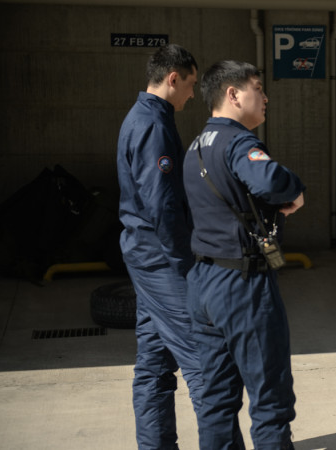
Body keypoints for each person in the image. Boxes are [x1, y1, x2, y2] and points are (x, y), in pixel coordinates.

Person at [182, 60, 305, 449]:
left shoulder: (195, 147)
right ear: (233, 94)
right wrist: (295, 191)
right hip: (242, 286)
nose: (265, 97)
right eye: (258, 87)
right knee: (270, 402)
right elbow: (270, 180)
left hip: (202, 284)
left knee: (216, 400)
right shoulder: (238, 142)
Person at [116, 43, 204, 449]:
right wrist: (187, 266)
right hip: (161, 261)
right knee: (203, 362)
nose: (192, 94)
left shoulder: (143, 117)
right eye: (190, 84)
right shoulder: (153, 125)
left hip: (144, 255)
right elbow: (162, 205)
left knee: (154, 364)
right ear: (173, 79)